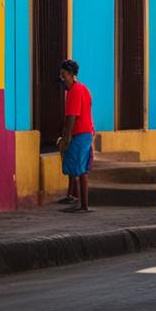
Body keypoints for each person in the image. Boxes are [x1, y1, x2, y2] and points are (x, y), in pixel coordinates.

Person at [57, 59, 95, 213]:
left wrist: (66, 138)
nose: (62, 78)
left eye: (64, 74)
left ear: (72, 74)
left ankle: (82, 204)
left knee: (78, 169)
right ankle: (78, 201)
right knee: (80, 168)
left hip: (79, 133)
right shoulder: (84, 89)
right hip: (86, 132)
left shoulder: (74, 92)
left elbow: (71, 117)